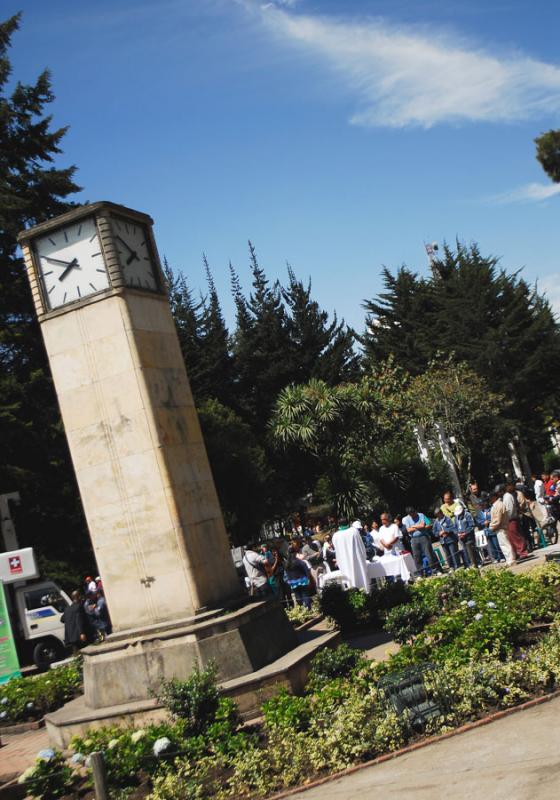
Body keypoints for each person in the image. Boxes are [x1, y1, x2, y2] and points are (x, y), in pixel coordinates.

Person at [332, 517, 371, 593]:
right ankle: (366, 593)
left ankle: (354, 595)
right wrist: (363, 556)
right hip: (357, 560)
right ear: (348, 523)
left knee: (350, 579)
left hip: (345, 562)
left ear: (338, 524)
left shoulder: (335, 536)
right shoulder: (354, 531)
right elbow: (361, 546)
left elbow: (336, 550)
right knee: (361, 578)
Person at [402, 507, 440, 577]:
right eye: (411, 514)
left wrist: (413, 526)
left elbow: (423, 525)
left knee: (429, 554)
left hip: (423, 536)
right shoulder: (406, 519)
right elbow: (408, 530)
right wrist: (418, 526)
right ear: (408, 514)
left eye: (413, 512)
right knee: (417, 556)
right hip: (413, 539)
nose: (413, 515)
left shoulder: (421, 515)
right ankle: (420, 573)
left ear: (415, 511)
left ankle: (434, 570)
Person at [502, 480, 529, 559]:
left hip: (512, 519)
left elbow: (510, 509)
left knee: (516, 536)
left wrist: (507, 518)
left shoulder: (508, 496)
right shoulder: (508, 495)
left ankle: (522, 552)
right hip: (510, 519)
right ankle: (518, 552)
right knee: (512, 537)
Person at [489, 487, 515, 566]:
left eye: (490, 498)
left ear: (494, 497)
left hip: (501, 527)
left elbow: (498, 520)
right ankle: (509, 559)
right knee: (503, 545)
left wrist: (491, 527)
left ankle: (511, 560)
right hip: (499, 528)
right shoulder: (497, 505)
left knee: (505, 544)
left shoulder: (499, 505)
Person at [475, 495, 505, 563]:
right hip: (485, 531)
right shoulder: (479, 513)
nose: (481, 506)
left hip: (492, 529)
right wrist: (483, 523)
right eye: (480, 505)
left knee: (496, 544)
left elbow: (494, 517)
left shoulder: (491, 509)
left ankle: (501, 556)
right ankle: (496, 558)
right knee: (490, 546)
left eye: (482, 504)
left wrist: (489, 521)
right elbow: (478, 521)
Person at [285, 541, 312, 608]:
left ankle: (301, 609)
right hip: (302, 580)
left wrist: (289, 581)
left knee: (298, 597)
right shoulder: (299, 561)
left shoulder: (287, 564)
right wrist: (308, 578)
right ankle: (308, 608)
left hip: (293, 582)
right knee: (305, 595)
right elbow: (306, 569)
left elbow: (286, 574)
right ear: (295, 552)